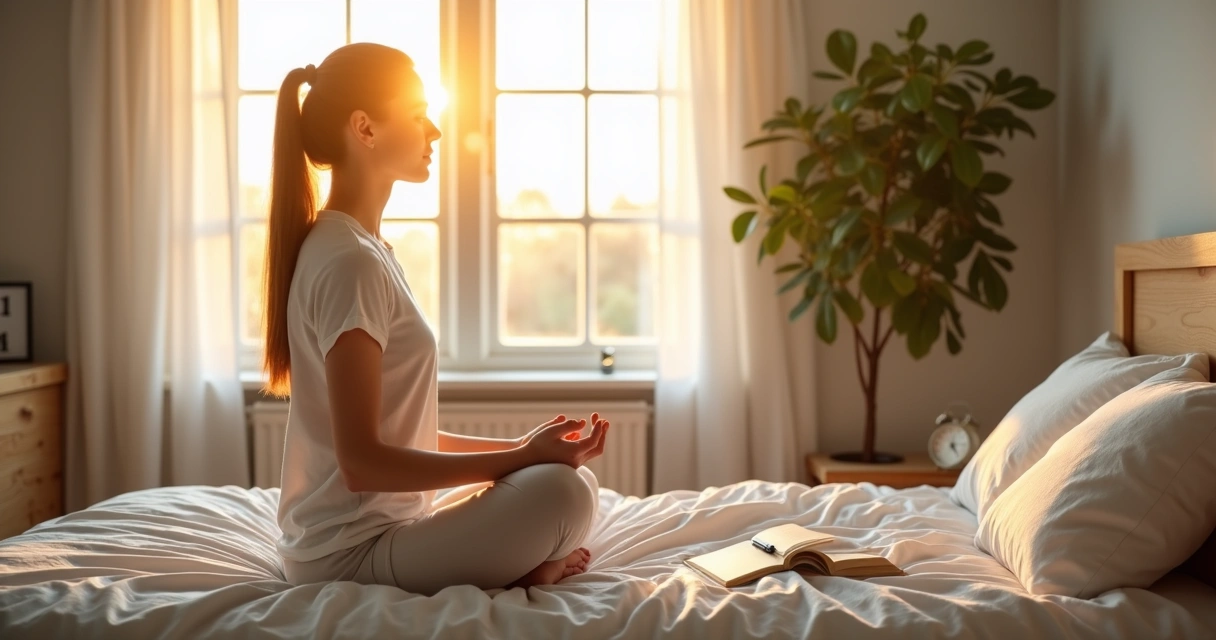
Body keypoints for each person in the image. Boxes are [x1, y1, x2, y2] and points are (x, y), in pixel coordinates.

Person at [259, 42, 609, 596]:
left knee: (567, 479)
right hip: (346, 554)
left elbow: (401, 434)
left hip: (378, 532)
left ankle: (520, 560)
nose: (436, 133)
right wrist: (519, 459)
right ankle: (524, 571)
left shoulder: (362, 248)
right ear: (365, 128)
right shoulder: (350, 261)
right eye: (420, 115)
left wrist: (522, 450)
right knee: (563, 495)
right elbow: (362, 465)